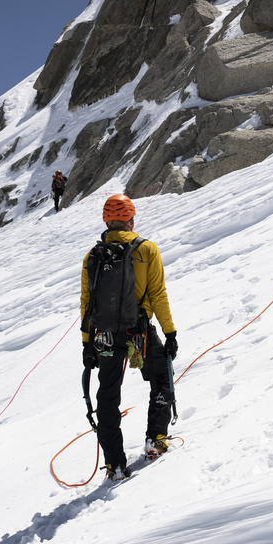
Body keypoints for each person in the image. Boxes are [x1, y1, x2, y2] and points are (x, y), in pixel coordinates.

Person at [81, 195, 179, 480]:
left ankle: (115, 464)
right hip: (140, 333)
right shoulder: (147, 249)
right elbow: (158, 295)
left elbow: (86, 303)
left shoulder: (93, 256)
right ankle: (156, 438)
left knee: (108, 397)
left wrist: (87, 344)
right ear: (132, 219)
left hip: (105, 337)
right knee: (160, 377)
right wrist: (170, 332)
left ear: (106, 221)